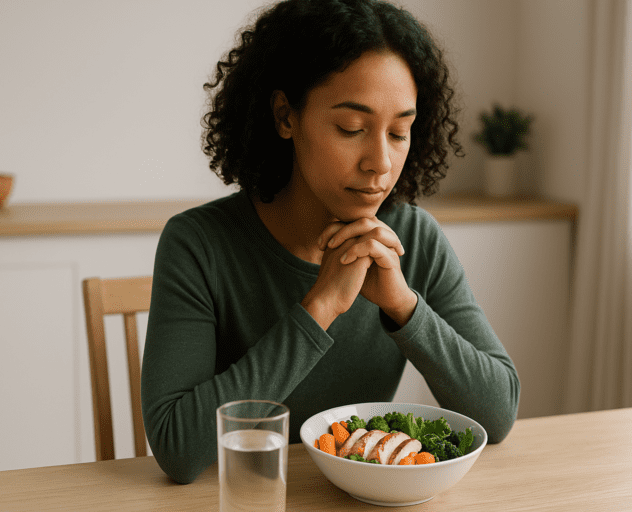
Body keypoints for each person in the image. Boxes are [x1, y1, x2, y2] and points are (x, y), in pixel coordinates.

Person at [141, 0, 520, 484]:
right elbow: (177, 449)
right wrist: (319, 307)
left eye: (400, 132)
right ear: (285, 116)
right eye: (352, 129)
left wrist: (403, 306)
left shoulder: (413, 239)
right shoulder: (199, 244)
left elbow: (499, 413)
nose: (380, 162)